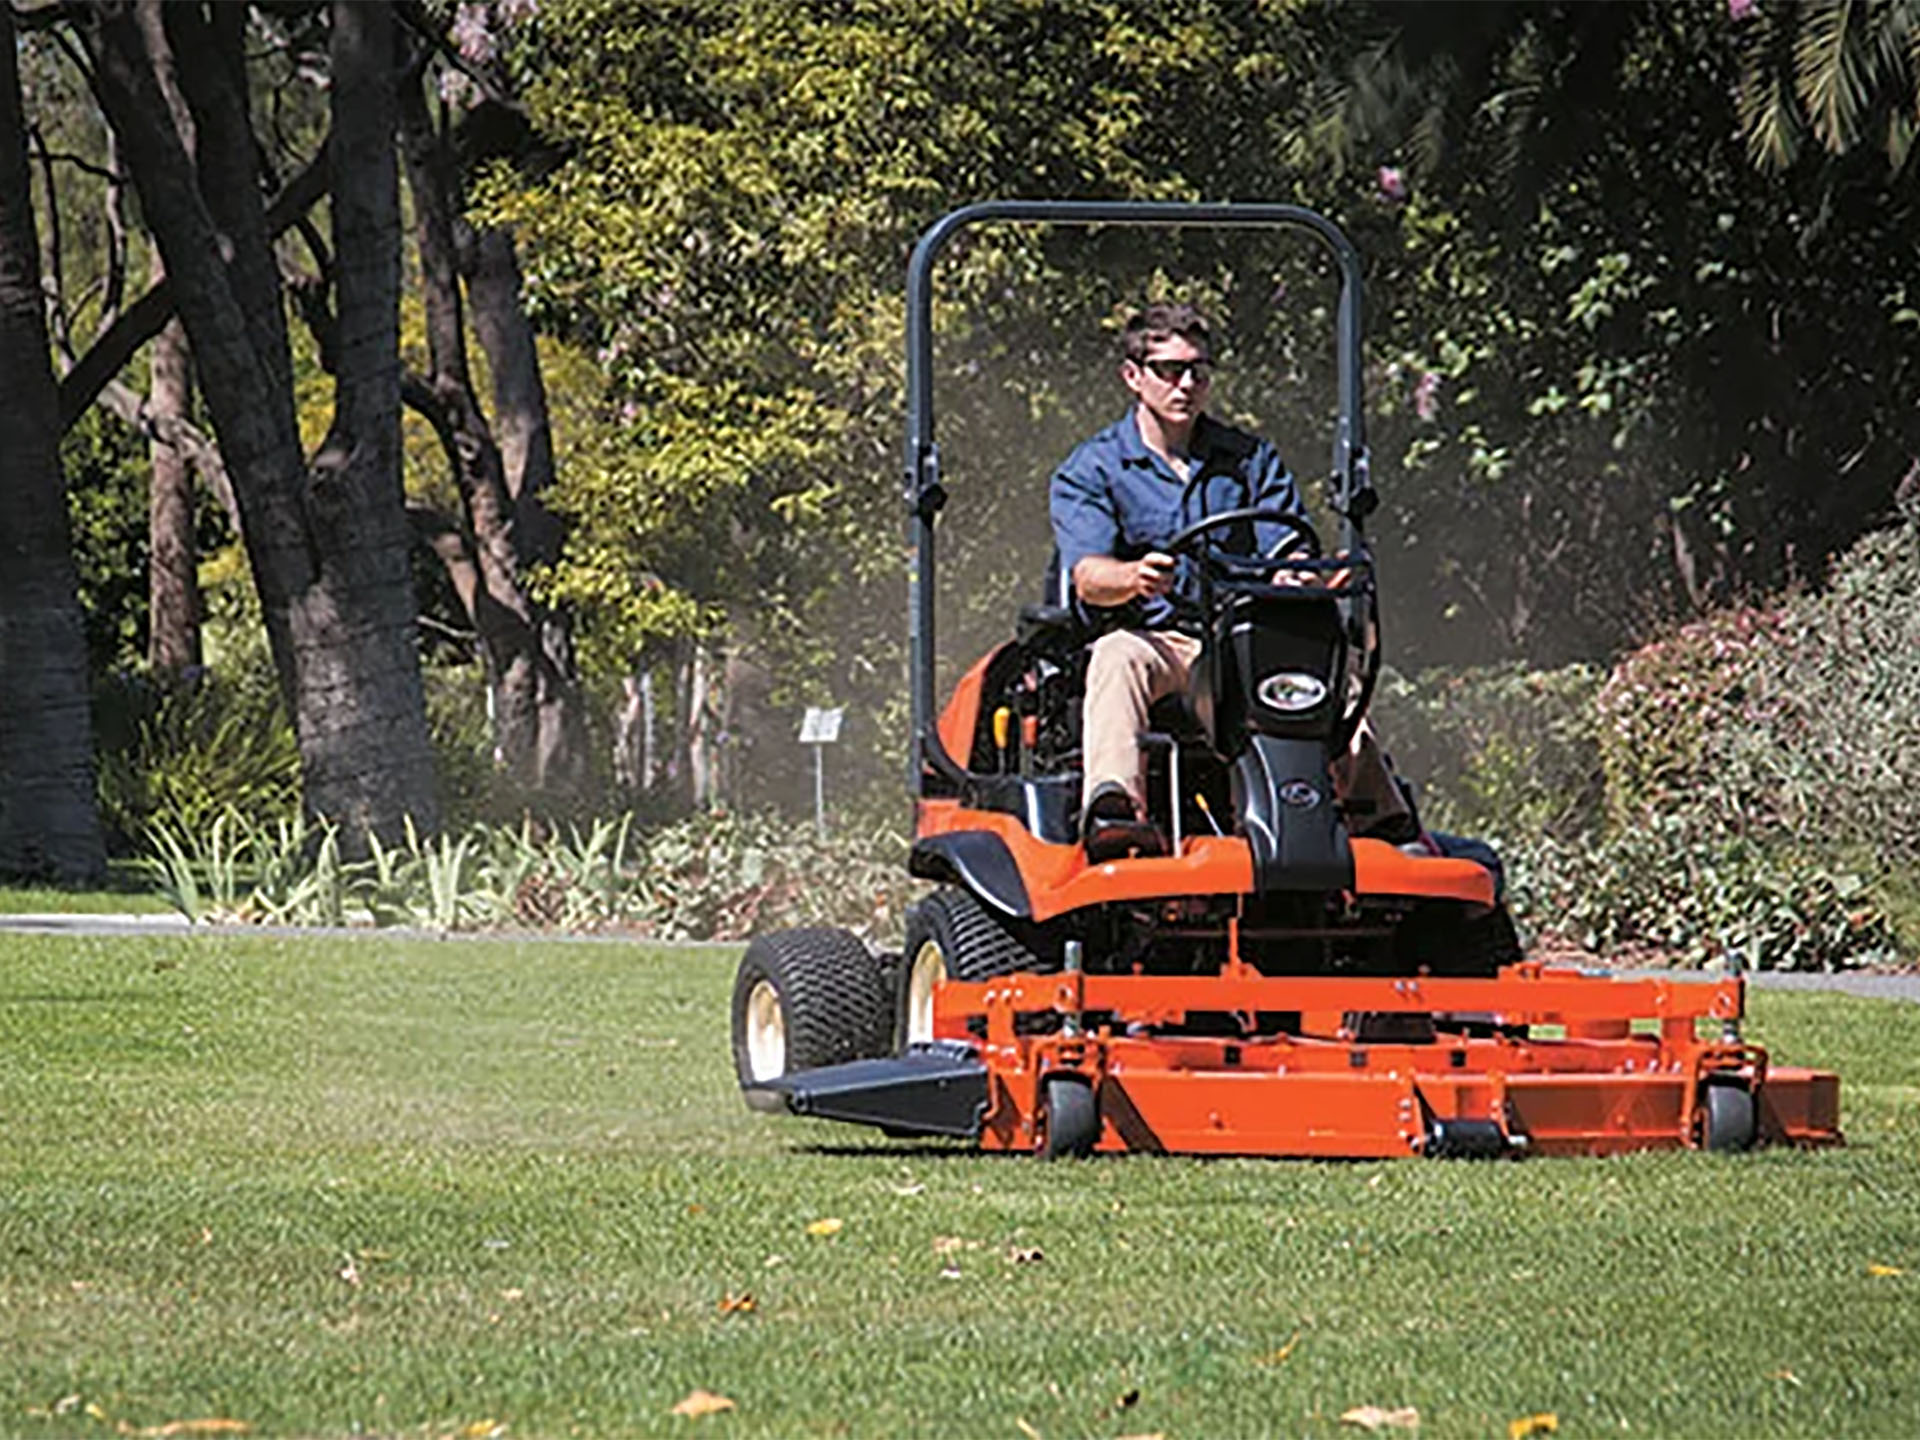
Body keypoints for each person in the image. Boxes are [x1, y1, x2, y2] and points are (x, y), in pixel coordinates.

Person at [1048, 301, 1418, 856]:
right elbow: (1089, 576)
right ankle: (1115, 808)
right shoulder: (1094, 468)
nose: (1186, 384)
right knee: (1117, 655)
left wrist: (1303, 575)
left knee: (1324, 674)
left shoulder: (1249, 459)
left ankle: (1381, 820)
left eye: (1198, 369)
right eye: (1169, 370)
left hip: (1245, 637)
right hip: (1162, 640)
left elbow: (1288, 545)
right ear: (1134, 377)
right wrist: (1135, 576)